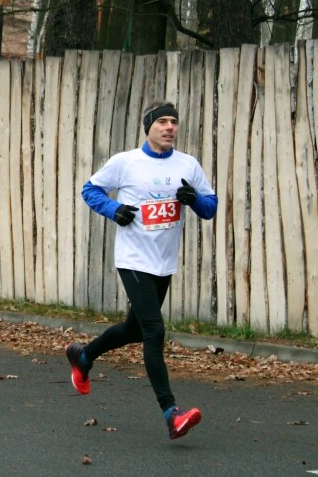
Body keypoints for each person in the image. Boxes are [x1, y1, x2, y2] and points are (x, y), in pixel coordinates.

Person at [67, 101, 217, 440]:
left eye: (174, 122)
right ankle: (171, 412)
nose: (169, 127)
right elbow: (90, 190)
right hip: (133, 259)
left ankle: (83, 355)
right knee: (154, 331)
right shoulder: (126, 163)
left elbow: (210, 207)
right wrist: (113, 208)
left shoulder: (188, 165)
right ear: (148, 127)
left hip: (164, 262)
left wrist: (192, 199)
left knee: (133, 330)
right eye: (162, 121)